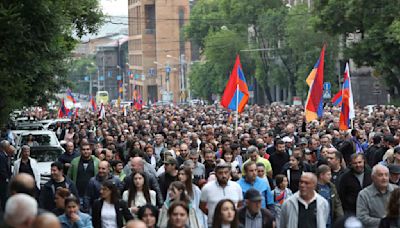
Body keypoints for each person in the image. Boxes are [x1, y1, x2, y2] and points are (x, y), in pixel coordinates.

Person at [0, 140, 14, 211]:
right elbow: (2, 169)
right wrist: (7, 178)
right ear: (6, 147)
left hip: (4, 180)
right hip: (3, 180)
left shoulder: (5, 155)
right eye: (9, 146)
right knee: (4, 195)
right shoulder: (1, 156)